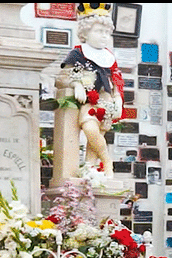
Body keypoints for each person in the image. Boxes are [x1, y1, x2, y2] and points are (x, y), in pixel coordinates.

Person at [57, 3, 124, 178]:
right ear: (85, 33)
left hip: (106, 101)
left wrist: (119, 100)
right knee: (90, 128)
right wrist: (76, 84)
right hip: (89, 101)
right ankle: (108, 162)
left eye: (107, 33)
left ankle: (90, 168)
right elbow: (63, 76)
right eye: (98, 31)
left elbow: (116, 80)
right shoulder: (78, 54)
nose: (104, 37)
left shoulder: (109, 56)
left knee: (96, 138)